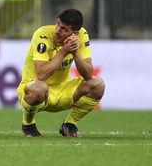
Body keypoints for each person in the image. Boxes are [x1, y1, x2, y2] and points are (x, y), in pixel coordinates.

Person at [17, 9, 105, 137]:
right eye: (58, 24)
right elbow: (41, 75)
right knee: (39, 87)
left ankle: (69, 124)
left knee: (98, 84)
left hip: (62, 90)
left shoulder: (82, 35)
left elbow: (88, 75)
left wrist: (75, 52)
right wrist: (64, 51)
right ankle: (28, 124)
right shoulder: (43, 35)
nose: (58, 30)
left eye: (64, 29)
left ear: (74, 33)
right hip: (34, 90)